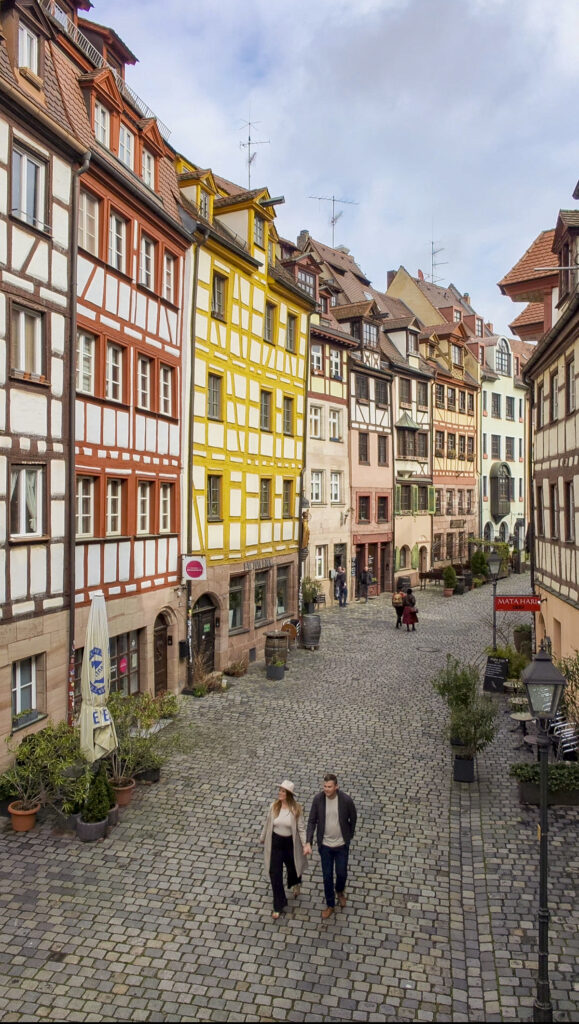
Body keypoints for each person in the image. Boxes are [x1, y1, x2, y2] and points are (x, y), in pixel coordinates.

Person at [304, 773, 357, 920]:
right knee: (327, 876)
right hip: (325, 846)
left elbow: (353, 818)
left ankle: (339, 890)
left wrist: (349, 835)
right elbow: (311, 821)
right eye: (325, 786)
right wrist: (308, 841)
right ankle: (330, 904)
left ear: (336, 787)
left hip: (341, 845)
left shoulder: (346, 800)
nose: (326, 789)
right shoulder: (318, 800)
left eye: (329, 787)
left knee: (341, 873)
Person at [260, 780, 308, 920]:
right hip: (275, 843)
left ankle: (296, 882)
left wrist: (306, 844)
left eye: (283, 791)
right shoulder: (273, 806)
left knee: (293, 868)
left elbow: (301, 829)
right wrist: (262, 837)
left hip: (289, 844)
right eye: (280, 790)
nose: (280, 793)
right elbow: (268, 824)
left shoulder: (296, 809)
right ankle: (278, 904)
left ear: (288, 795)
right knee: (275, 874)